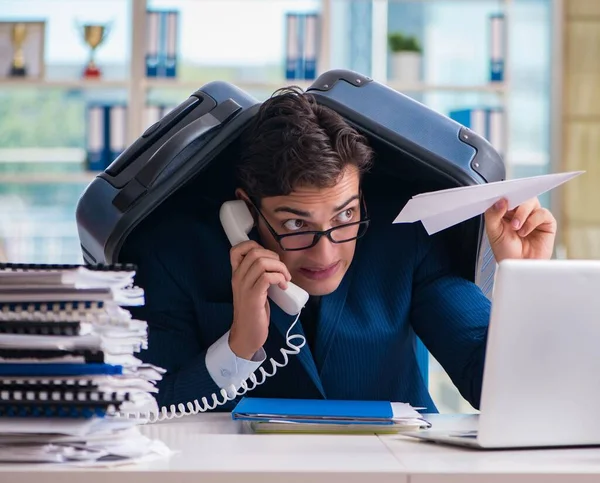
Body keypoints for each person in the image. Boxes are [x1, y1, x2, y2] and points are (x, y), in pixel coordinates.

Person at [124, 87, 557, 413]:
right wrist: (238, 348)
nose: (326, 254)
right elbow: (152, 410)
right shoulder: (175, 255)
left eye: (345, 217)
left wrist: (526, 284)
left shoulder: (404, 237)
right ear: (245, 210)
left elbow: (502, 390)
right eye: (296, 224)